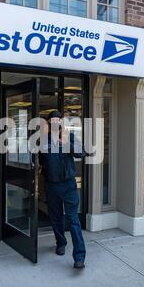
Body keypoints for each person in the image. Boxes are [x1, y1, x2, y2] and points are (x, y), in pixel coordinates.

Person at [39, 110, 86, 269]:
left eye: (58, 120)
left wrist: (67, 143)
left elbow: (81, 153)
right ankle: (60, 242)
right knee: (55, 217)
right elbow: (39, 161)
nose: (55, 123)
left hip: (68, 186)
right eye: (52, 120)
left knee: (73, 219)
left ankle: (79, 256)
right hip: (51, 185)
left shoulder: (69, 137)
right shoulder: (43, 140)